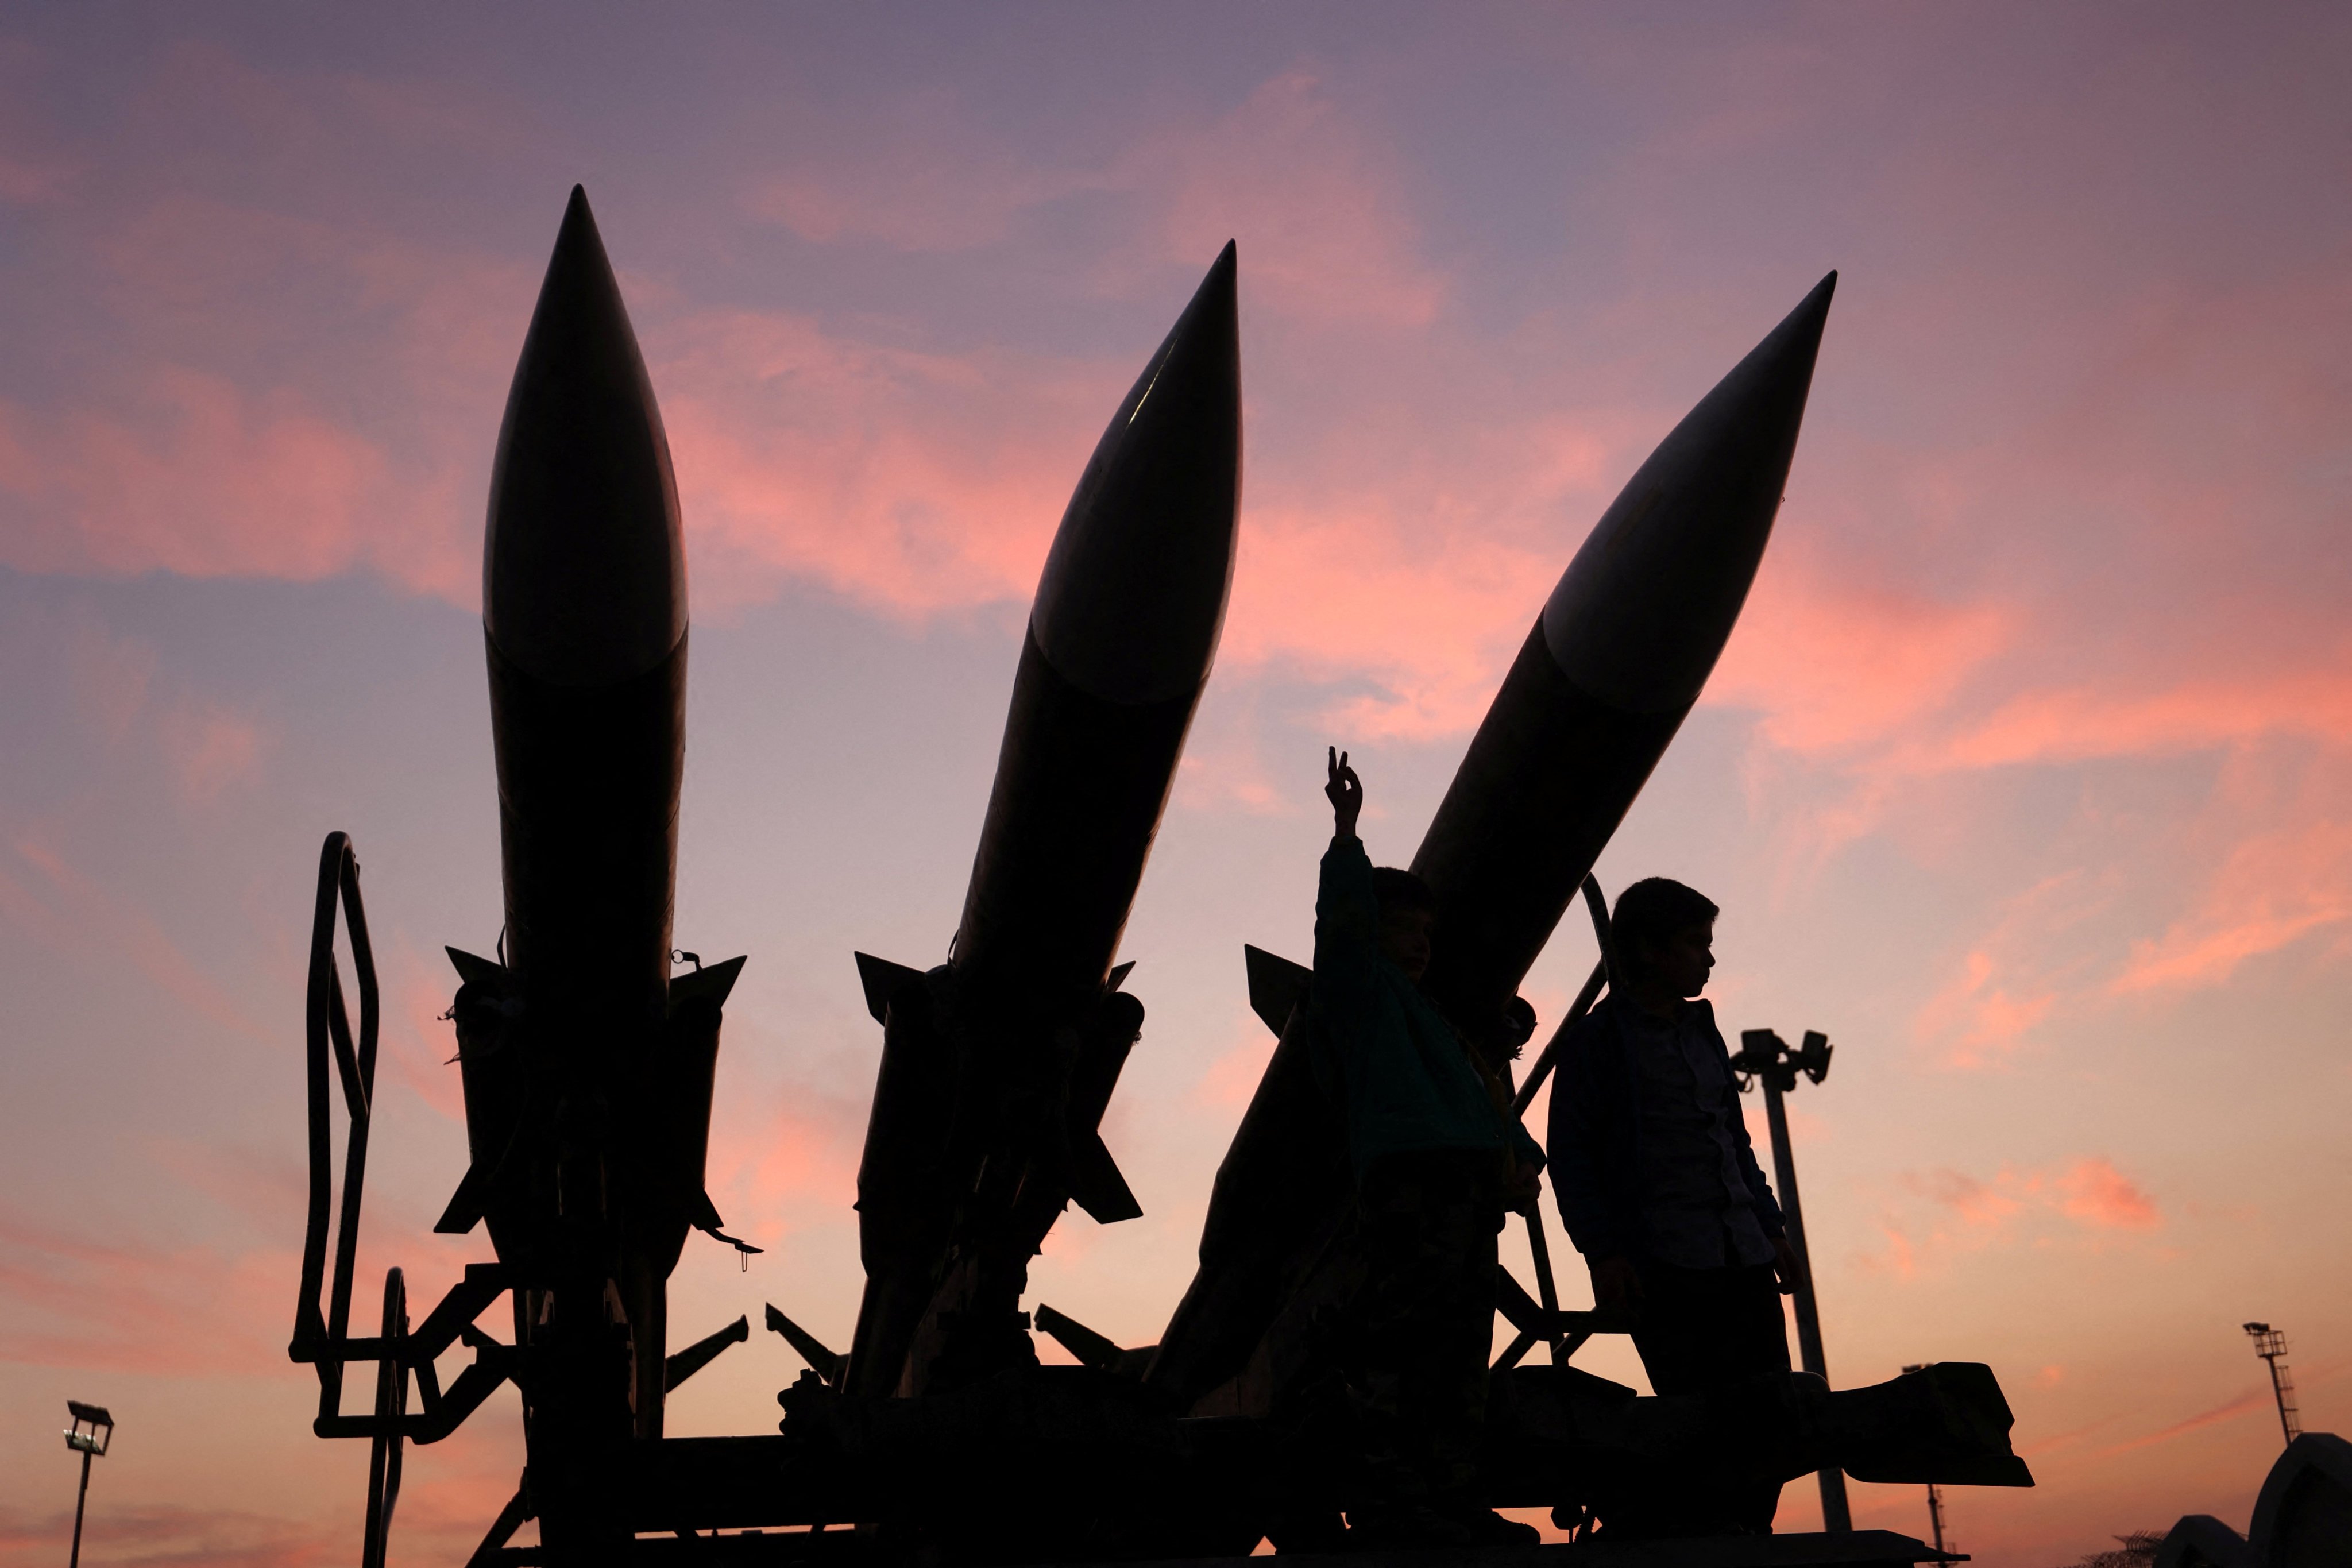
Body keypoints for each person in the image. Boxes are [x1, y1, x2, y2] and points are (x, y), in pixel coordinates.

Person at [1310, 748, 1544, 1548]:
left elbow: (1486, 1104)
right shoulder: (1360, 995)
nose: (1414, 944)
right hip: (1409, 1191)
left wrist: (1517, 1159)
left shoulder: (1439, 1028)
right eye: (1398, 928)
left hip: (1469, 1200)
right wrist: (1346, 835)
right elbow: (1340, 928)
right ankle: (1388, 1501)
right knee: (1401, 1348)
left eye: (1422, 932)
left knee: (1457, 1355)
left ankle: (1447, 1495)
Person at [1546, 876, 1802, 1534]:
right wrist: (1603, 1253)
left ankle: (1742, 1539)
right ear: (1649, 950)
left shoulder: (1702, 1033)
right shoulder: (1596, 1042)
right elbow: (1572, 1155)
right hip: (1664, 1267)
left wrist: (1771, 1230)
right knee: (1696, 1427)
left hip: (1739, 1256)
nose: (1708, 959)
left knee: (1775, 1416)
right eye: (1695, 944)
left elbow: (1733, 1143)